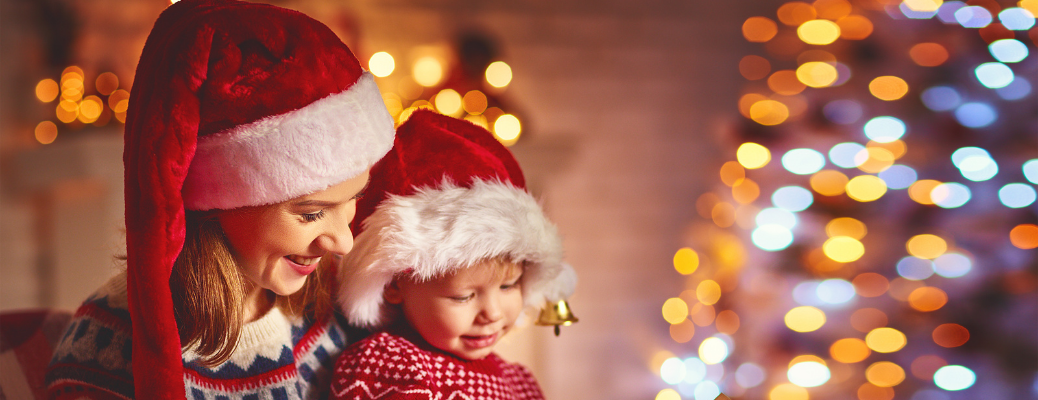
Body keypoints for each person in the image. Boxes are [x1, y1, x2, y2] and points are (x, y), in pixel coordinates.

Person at [44, 1, 395, 399]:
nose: (343, 242)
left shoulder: (331, 306)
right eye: (312, 214)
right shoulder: (107, 348)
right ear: (219, 201)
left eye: (353, 198)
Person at [329, 110, 577, 400]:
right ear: (396, 283)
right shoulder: (389, 364)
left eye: (508, 286)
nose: (493, 313)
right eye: (464, 296)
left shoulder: (517, 380)